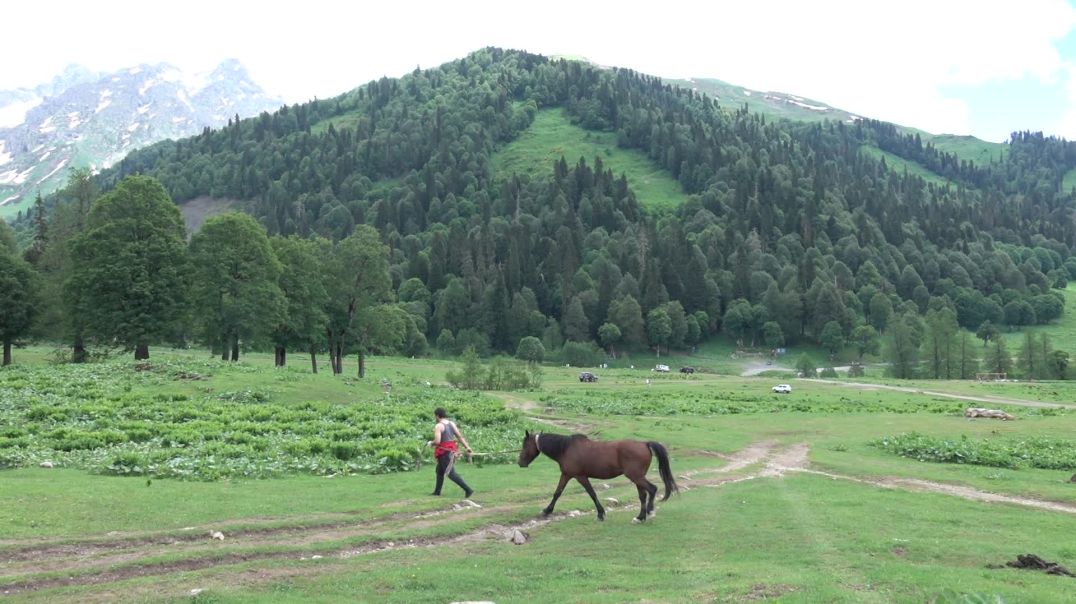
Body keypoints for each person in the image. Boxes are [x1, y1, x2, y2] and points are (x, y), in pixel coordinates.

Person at [430, 407, 474, 498]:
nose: (435, 418)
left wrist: (431, 443)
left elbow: (437, 441)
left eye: (435, 416)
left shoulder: (439, 426)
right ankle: (437, 492)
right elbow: (460, 437)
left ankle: (468, 489)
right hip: (450, 450)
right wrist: (467, 447)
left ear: (437, 416)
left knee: (450, 473)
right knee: (439, 471)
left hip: (445, 452)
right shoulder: (451, 424)